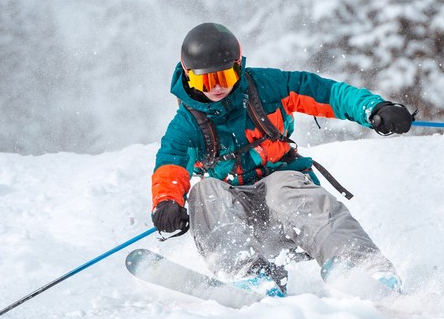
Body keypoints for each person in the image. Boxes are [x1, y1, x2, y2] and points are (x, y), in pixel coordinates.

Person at [150, 22, 415, 298]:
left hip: (289, 203)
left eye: (225, 77)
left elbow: (325, 93)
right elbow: (171, 161)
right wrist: (167, 202)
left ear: (238, 68)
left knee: (282, 187)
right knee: (204, 192)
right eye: (205, 81)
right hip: (237, 216)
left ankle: (363, 266)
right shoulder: (186, 125)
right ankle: (250, 276)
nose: (216, 88)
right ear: (189, 77)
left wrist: (373, 109)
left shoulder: (266, 87)